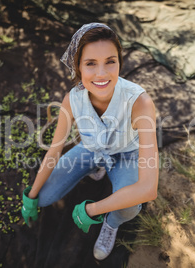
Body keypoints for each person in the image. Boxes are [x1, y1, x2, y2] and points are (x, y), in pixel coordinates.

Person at [21, 22, 159, 260]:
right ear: (78, 67)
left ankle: (111, 223)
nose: (102, 73)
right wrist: (30, 196)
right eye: (91, 64)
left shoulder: (140, 102)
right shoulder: (72, 99)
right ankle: (97, 167)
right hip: (91, 149)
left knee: (129, 206)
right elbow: (54, 151)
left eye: (110, 61)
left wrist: (92, 209)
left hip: (127, 155)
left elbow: (149, 189)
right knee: (44, 197)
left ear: (119, 63)